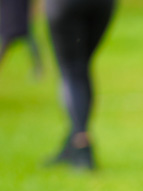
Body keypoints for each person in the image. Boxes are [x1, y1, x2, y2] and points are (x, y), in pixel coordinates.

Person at [45, 0, 116, 170]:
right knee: (81, 67)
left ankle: (81, 144)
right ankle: (73, 141)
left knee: (73, 70)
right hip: (102, 5)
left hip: (66, 5)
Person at [0, 0, 43, 77]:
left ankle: (38, 69)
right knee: (3, 45)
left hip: (20, 18)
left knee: (31, 45)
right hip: (10, 18)